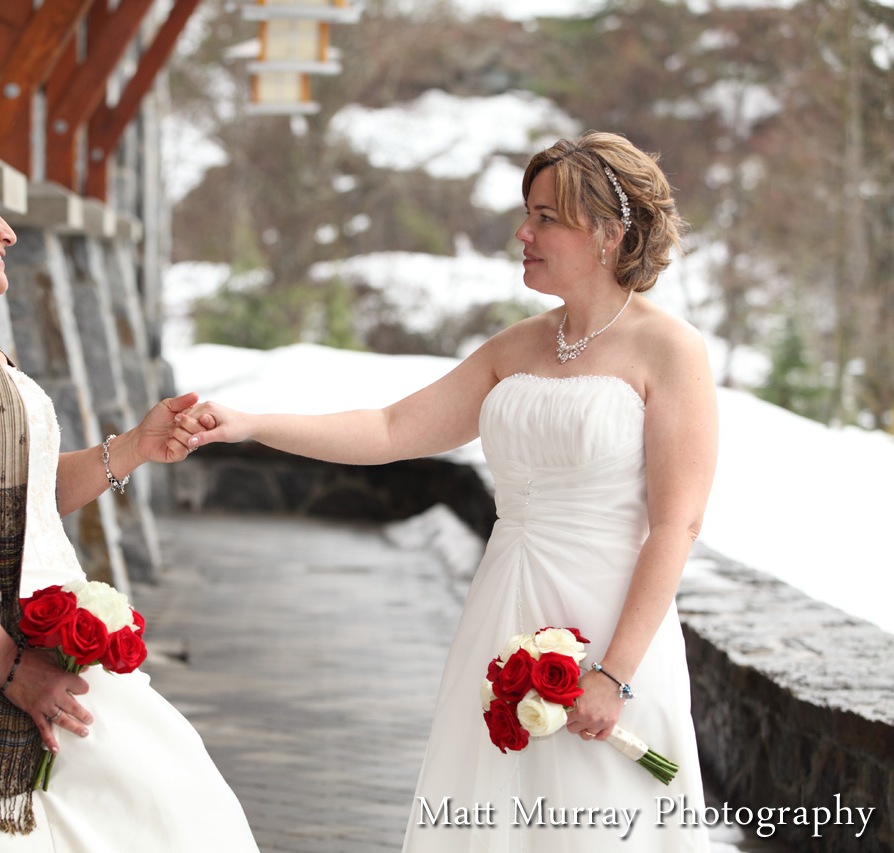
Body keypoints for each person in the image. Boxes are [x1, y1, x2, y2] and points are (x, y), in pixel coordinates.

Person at [181, 131, 715, 851]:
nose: (522, 233)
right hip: (504, 609)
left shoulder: (669, 351)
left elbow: (675, 525)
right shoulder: (518, 345)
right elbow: (392, 426)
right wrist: (249, 423)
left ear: (609, 232)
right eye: (527, 213)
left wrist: (614, 674)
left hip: (612, 625)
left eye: (546, 217)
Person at [0, 136, 258, 853]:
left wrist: (134, 447)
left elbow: (17, 500)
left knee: (169, 805)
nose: (8, 231)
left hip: (19, 631)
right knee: (168, 809)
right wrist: (8, 666)